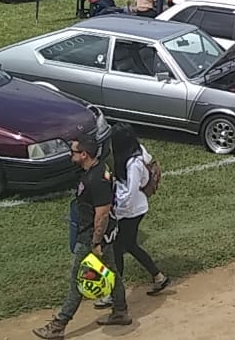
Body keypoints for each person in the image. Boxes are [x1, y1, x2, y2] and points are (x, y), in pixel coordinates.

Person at [32, 134, 114, 339]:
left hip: (91, 238)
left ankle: (59, 325)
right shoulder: (95, 170)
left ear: (84, 155)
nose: (71, 155)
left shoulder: (96, 179)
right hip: (98, 235)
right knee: (112, 272)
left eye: (74, 152)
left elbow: (102, 213)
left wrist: (96, 241)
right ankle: (120, 310)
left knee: (79, 280)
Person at [92, 123, 170, 326]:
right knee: (127, 246)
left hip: (132, 211)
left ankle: (114, 293)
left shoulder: (133, 163)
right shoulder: (138, 151)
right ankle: (158, 276)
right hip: (132, 210)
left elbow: (131, 193)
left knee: (118, 248)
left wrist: (115, 209)